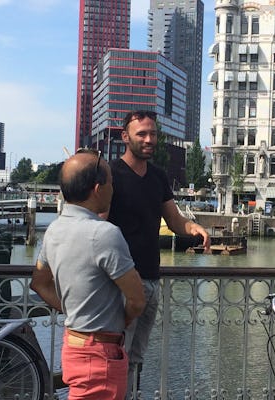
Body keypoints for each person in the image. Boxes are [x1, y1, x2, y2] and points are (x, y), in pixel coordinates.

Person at [105, 110, 210, 398]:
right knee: (116, 354)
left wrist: (194, 228)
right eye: (142, 134)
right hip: (119, 282)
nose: (150, 139)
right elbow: (96, 223)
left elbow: (174, 220)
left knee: (136, 357)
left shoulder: (158, 177)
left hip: (151, 280)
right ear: (125, 137)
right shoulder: (111, 174)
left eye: (153, 134)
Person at [30, 150, 146, 399]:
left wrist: (73, 309)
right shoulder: (105, 234)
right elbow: (137, 299)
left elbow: (39, 283)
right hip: (101, 350)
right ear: (98, 188)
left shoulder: (54, 230)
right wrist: (122, 318)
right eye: (111, 184)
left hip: (73, 343)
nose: (113, 190)